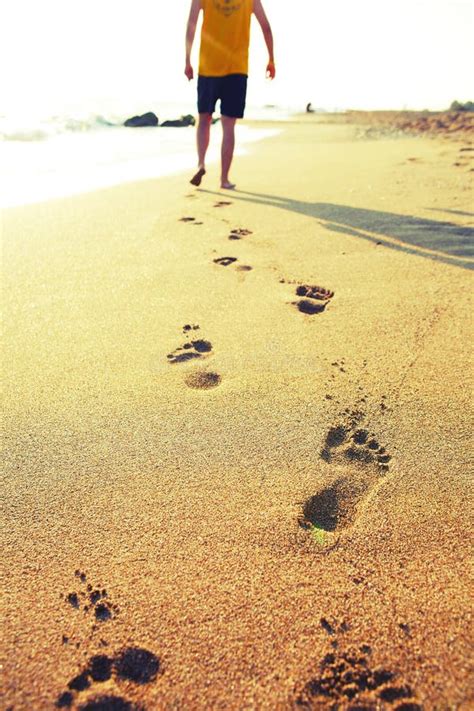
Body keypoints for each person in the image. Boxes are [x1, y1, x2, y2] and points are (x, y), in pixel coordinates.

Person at [185, 0, 275, 189]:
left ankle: (201, 163)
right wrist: (271, 59)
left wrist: (187, 60)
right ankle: (224, 179)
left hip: (208, 66)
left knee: (204, 119)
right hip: (237, 68)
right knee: (228, 124)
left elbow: (191, 24)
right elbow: (265, 27)